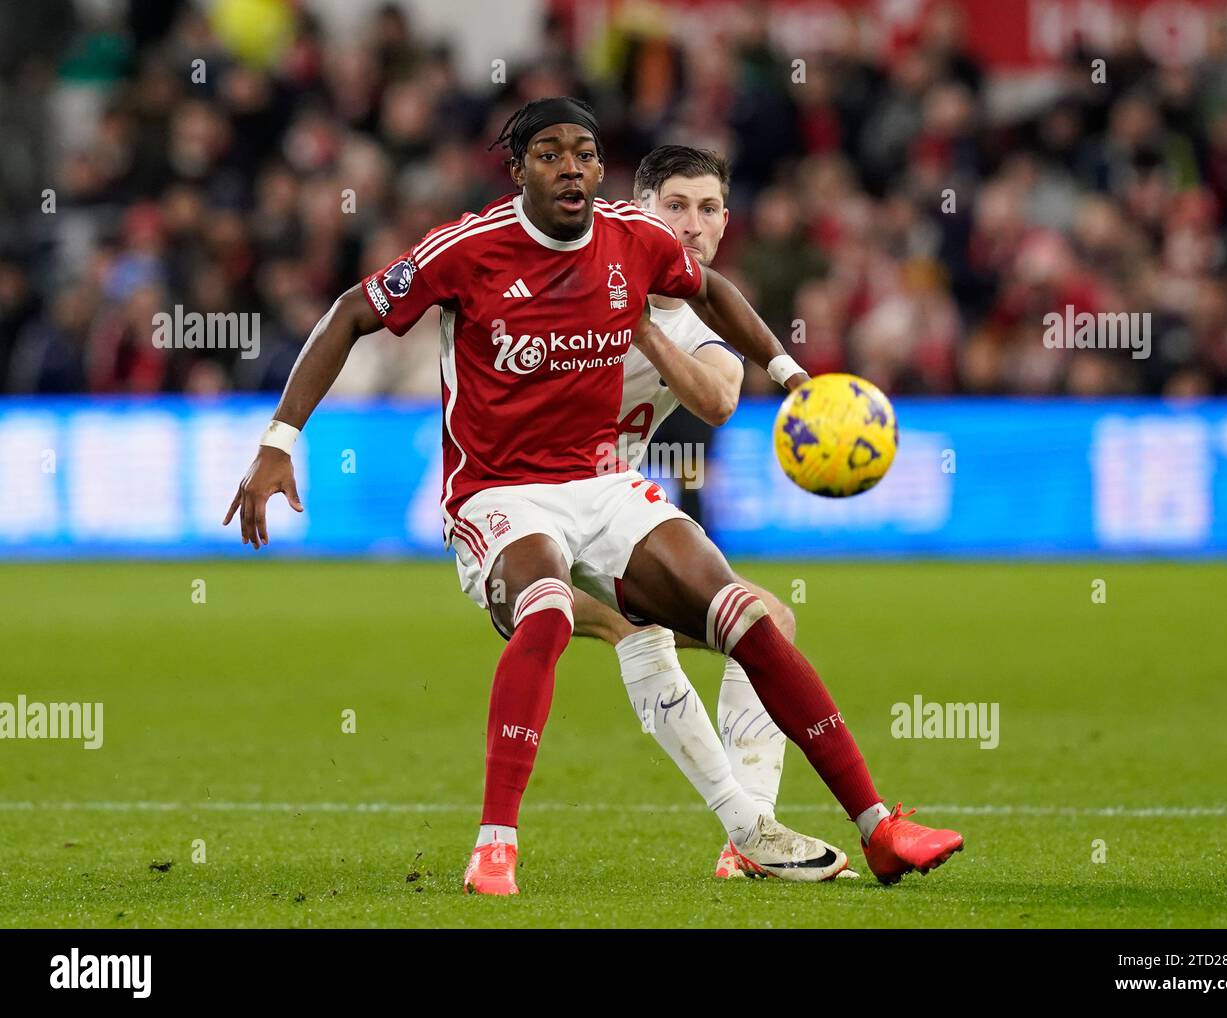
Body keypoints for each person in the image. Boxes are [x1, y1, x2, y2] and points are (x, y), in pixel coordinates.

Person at [224, 97, 963, 896]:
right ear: (516, 170)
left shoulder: (635, 242)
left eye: (583, 152)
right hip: (499, 494)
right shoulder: (467, 250)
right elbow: (347, 315)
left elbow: (711, 294)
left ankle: (877, 827)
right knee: (545, 606)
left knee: (749, 617)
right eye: (548, 153)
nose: (569, 166)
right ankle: (496, 846)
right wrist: (278, 443)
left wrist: (790, 377)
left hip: (606, 485)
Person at [572, 143, 851, 879]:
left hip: (608, 526)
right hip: (518, 509)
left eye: (708, 209)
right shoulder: (573, 257)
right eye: (675, 206)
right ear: (638, 209)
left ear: (727, 224)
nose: (692, 225)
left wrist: (641, 326)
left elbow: (720, 400)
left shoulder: (703, 333)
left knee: (768, 622)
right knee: (642, 632)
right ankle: (748, 827)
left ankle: (749, 836)